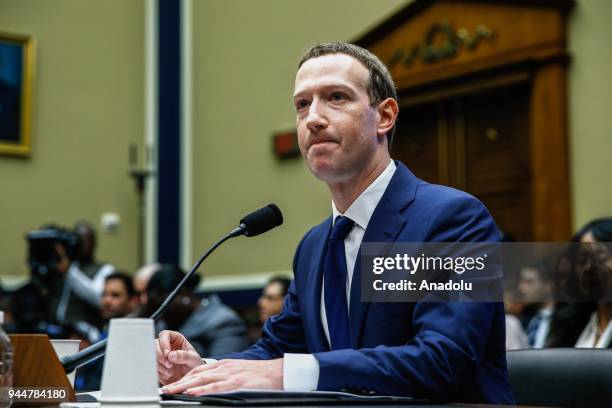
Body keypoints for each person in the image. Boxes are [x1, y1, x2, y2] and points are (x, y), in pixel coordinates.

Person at [155, 42, 514, 404]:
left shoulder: (452, 218)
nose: (313, 117)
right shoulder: (314, 246)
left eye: (336, 97)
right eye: (302, 104)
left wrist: (290, 372)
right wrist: (204, 370)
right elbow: (276, 349)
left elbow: (443, 361)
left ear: (385, 116)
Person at [146, 264, 249, 357]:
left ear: (182, 295)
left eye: (163, 305)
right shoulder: (165, 322)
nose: (160, 313)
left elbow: (223, 366)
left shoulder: (223, 321)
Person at [53, 221, 116, 326]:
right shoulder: (62, 266)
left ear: (94, 242)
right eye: (78, 239)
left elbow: (97, 297)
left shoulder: (104, 269)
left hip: (85, 332)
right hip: (55, 328)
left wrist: (68, 270)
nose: (83, 244)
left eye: (86, 240)